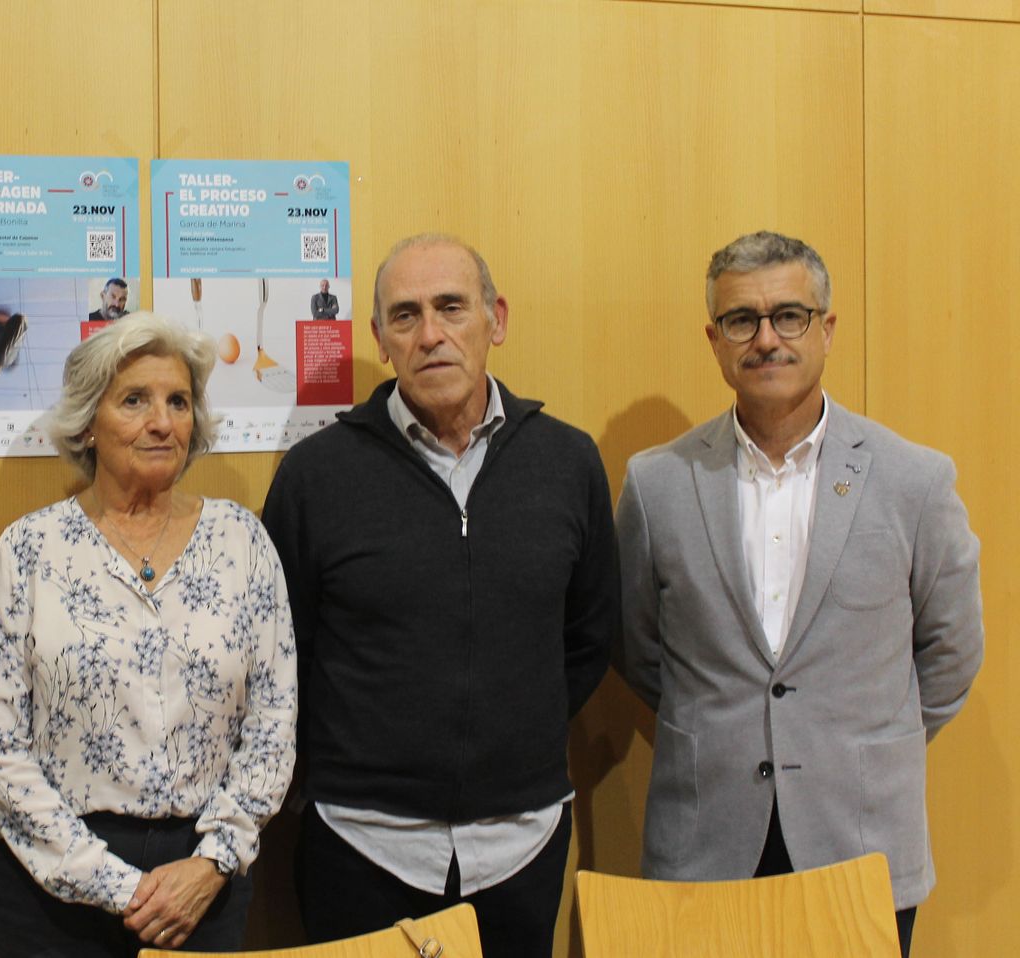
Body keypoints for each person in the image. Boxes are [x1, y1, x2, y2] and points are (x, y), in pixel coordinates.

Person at [614, 231, 983, 958]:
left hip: (861, 843)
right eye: (742, 321)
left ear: (827, 329)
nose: (767, 339)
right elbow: (638, 646)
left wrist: (861, 743)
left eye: (790, 315)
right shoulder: (657, 485)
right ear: (715, 341)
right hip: (706, 846)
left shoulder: (913, 480)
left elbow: (951, 652)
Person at [262, 233, 618, 954]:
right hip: (362, 845)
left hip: (522, 843)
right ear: (380, 340)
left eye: (451, 307)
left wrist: (510, 732)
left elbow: (589, 634)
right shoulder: (316, 475)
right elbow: (277, 656)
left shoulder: (568, 462)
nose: (431, 334)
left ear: (497, 320)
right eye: (405, 316)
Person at [0, 311, 296, 957]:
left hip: (203, 885)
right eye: (135, 400)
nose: (162, 422)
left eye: (178, 401)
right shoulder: (27, 549)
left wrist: (212, 863)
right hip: (49, 889)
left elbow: (274, 722)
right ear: (88, 420)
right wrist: (116, 886)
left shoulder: (242, 541)